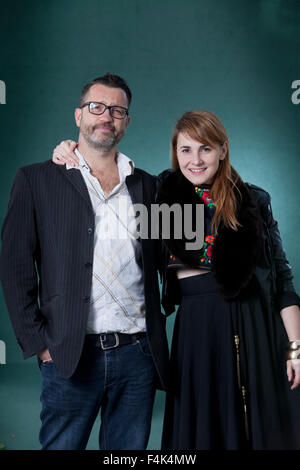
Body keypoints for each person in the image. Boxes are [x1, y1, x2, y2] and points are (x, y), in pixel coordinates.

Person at [53, 109, 300, 450]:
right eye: (186, 150)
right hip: (196, 333)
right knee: (200, 433)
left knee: (257, 429)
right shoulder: (159, 195)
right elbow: (105, 183)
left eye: (206, 149)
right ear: (175, 153)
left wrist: (295, 349)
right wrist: (71, 149)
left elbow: (284, 282)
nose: (195, 160)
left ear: (223, 150)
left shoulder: (254, 200)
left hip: (254, 328)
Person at [0, 73, 169, 450]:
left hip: (137, 357)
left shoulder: (149, 186)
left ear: (126, 122)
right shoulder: (37, 180)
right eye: (96, 107)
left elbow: (173, 252)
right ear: (79, 116)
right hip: (69, 356)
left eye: (117, 110)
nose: (106, 116)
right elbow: (14, 267)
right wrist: (40, 344)